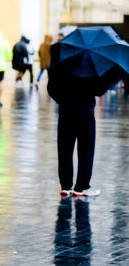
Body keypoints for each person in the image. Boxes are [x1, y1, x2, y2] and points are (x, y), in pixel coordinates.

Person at [47, 47, 102, 197]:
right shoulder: (92, 67)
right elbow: (100, 89)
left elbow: (51, 88)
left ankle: (66, 185)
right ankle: (81, 186)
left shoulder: (61, 66)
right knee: (86, 150)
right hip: (85, 113)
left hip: (66, 111)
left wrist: (64, 101)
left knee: (64, 149)